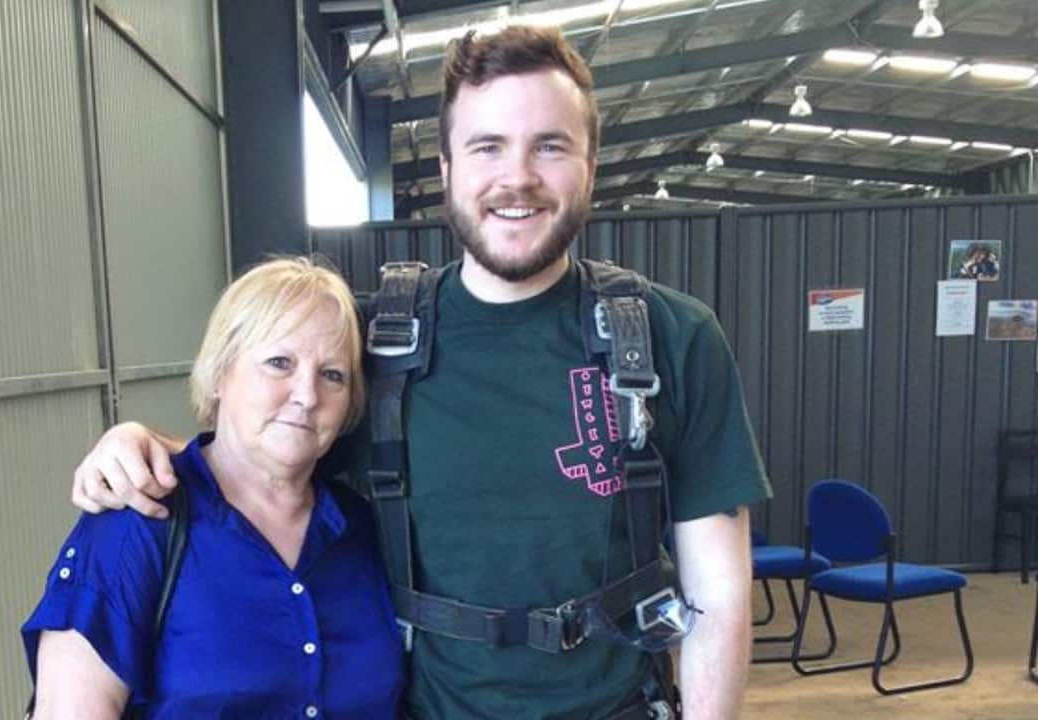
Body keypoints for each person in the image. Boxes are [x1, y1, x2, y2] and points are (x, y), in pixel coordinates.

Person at [71, 27, 771, 720]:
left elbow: (718, 593)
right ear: (446, 168)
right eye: (487, 146)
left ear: (590, 164)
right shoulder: (370, 345)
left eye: (550, 146)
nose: (517, 177)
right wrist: (141, 446)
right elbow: (255, 459)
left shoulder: (669, 337)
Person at [23, 258, 404, 719]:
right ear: (221, 371)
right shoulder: (138, 520)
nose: (307, 395)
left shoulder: (362, 528)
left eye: (333, 375)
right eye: (279, 363)